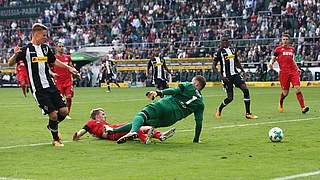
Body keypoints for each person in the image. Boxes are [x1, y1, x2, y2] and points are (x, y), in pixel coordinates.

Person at [8, 23, 79, 147]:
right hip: (38, 88)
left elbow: (54, 61)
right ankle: (56, 139)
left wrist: (69, 68)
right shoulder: (26, 50)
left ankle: (52, 126)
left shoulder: (45, 48)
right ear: (36, 34)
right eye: (44, 35)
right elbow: (10, 63)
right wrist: (15, 54)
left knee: (64, 111)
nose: (46, 38)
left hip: (50, 85)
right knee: (52, 114)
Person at [106, 75, 206, 144]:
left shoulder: (189, 86)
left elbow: (175, 90)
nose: (191, 82)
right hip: (171, 119)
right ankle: (114, 130)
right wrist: (196, 139)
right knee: (143, 123)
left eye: (193, 81)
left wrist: (159, 93)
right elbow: (199, 122)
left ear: (196, 84)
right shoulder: (200, 103)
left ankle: (133, 131)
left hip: (165, 105)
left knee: (142, 115)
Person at [212, 36, 258, 119]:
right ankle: (219, 109)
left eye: (227, 40)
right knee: (230, 98)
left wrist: (243, 71)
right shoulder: (219, 52)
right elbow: (213, 66)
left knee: (245, 89)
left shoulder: (232, 50)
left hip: (235, 75)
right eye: (223, 41)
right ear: (221, 42)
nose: (225, 42)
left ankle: (248, 113)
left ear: (229, 42)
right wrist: (221, 77)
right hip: (226, 77)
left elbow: (236, 61)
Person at [73, 108, 176, 144]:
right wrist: (77, 135)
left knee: (141, 128)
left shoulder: (103, 124)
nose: (105, 116)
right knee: (135, 126)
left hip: (114, 130)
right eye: (103, 114)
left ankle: (160, 135)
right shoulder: (91, 123)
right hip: (113, 132)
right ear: (96, 116)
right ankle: (147, 139)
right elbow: (83, 131)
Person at [269, 33, 309, 114]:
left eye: (286, 39)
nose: (285, 41)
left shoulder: (291, 49)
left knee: (297, 88)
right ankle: (280, 103)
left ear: (289, 40)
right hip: (284, 73)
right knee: (285, 93)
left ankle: (303, 107)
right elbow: (273, 58)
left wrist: (297, 68)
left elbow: (292, 60)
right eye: (283, 39)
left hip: (293, 71)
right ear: (281, 40)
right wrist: (271, 63)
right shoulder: (278, 49)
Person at [52, 42, 74, 119]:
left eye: (62, 46)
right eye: (59, 46)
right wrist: (52, 73)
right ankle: (58, 112)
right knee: (59, 99)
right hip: (58, 81)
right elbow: (48, 68)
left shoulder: (68, 57)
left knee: (69, 97)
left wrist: (76, 73)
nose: (61, 47)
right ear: (56, 48)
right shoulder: (53, 58)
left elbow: (71, 67)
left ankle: (67, 113)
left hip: (68, 80)